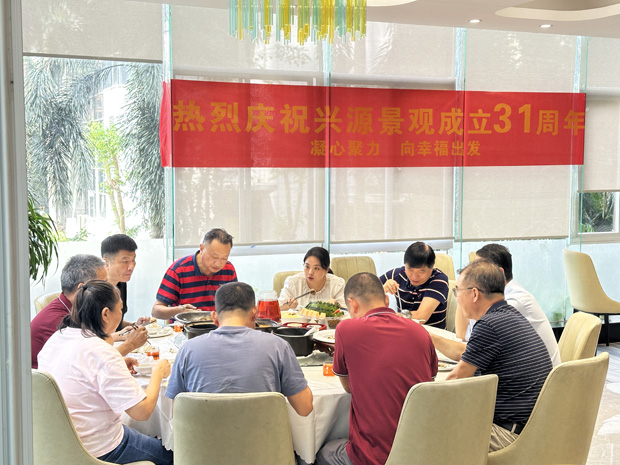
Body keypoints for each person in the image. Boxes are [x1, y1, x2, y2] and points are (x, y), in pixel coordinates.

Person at [37, 280, 172, 465]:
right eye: (121, 309)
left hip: (59, 443)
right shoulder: (101, 351)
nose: (121, 314)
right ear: (106, 314)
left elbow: (80, 373)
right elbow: (142, 412)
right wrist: (158, 372)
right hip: (100, 448)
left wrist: (117, 364)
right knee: (175, 455)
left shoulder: (57, 337)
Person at [316, 273, 438, 465]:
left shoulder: (346, 329)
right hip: (420, 453)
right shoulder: (420, 331)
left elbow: (349, 387)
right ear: (386, 300)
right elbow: (429, 382)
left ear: (352, 304)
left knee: (319, 452)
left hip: (372, 456)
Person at [431, 260, 552, 452]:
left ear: (474, 294)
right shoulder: (510, 315)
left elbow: (454, 382)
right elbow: (465, 354)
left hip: (510, 435)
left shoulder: (489, 326)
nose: (457, 298)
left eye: (457, 291)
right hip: (536, 428)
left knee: (428, 429)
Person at [165, 282, 313, 417]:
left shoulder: (188, 349)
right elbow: (305, 408)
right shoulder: (278, 347)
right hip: (263, 438)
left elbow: (175, 413)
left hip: (201, 439)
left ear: (214, 317)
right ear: (255, 313)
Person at [31, 254, 146, 368]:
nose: (108, 288)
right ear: (82, 288)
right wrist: (130, 345)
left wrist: (120, 335)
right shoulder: (58, 320)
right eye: (102, 284)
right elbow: (92, 363)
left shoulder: (76, 309)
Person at [455, 243, 561, 366]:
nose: (472, 274)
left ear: (500, 273)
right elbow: (463, 335)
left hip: (539, 375)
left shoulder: (513, 303)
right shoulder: (489, 298)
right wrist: (464, 289)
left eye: (478, 270)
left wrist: (466, 289)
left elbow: (473, 346)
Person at [152, 228, 238, 320]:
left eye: (224, 258)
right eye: (214, 257)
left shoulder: (228, 269)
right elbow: (155, 311)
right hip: (185, 327)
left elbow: (236, 305)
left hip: (219, 326)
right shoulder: (179, 270)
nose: (218, 264)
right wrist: (179, 311)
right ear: (202, 249)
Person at [379, 241, 449, 328]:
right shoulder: (397, 274)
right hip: (404, 331)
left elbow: (421, 317)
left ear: (432, 267)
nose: (414, 276)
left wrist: (390, 318)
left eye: (421, 271)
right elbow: (367, 292)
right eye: (410, 269)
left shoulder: (439, 280)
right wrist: (382, 289)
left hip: (431, 334)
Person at [101, 234, 151, 331]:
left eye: (133, 260)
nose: (131, 267)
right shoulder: (95, 290)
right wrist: (123, 336)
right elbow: (95, 334)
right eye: (125, 261)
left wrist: (135, 325)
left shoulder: (121, 283)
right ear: (106, 263)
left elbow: (116, 323)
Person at [278, 246, 345, 311]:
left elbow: (346, 311)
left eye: (316, 268)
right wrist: (287, 306)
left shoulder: (337, 284)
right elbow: (277, 308)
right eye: (307, 267)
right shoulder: (293, 283)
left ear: (327, 269)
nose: (310, 272)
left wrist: (337, 305)